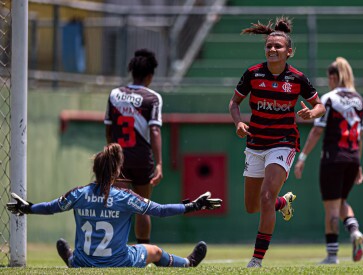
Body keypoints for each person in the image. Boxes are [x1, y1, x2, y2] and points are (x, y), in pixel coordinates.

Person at [7, 143, 222, 268]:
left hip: (86, 263)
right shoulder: (125, 197)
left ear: (95, 169)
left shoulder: (78, 194)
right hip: (119, 262)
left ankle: (73, 260)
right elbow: (161, 210)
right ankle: (188, 263)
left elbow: (51, 207)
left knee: (78, 256)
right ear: (117, 171)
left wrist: (28, 208)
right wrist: (193, 206)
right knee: (154, 251)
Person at [229, 16, 326, 268]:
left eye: (278, 46)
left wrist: (311, 113)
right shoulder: (252, 74)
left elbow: (320, 106)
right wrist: (238, 122)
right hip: (255, 143)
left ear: (289, 52)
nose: (272, 49)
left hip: (283, 142)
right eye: (269, 46)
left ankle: (256, 260)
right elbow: (234, 103)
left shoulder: (297, 79)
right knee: (252, 207)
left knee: (265, 197)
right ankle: (284, 202)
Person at [294, 57, 363, 264]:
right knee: (341, 202)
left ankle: (332, 256)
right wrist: (359, 163)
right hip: (352, 158)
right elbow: (359, 136)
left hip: (333, 158)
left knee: (331, 208)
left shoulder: (328, 99)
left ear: (334, 77)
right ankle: (354, 232)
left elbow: (317, 131)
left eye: (329, 78)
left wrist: (303, 157)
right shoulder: (359, 99)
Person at [104, 49, 163, 244]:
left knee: (118, 206)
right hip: (141, 158)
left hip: (119, 158)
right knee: (142, 207)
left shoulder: (115, 94)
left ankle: (113, 249)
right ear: (150, 75)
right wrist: (159, 163)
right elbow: (154, 131)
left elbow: (109, 128)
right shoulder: (152, 98)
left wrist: (111, 156)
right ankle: (144, 252)